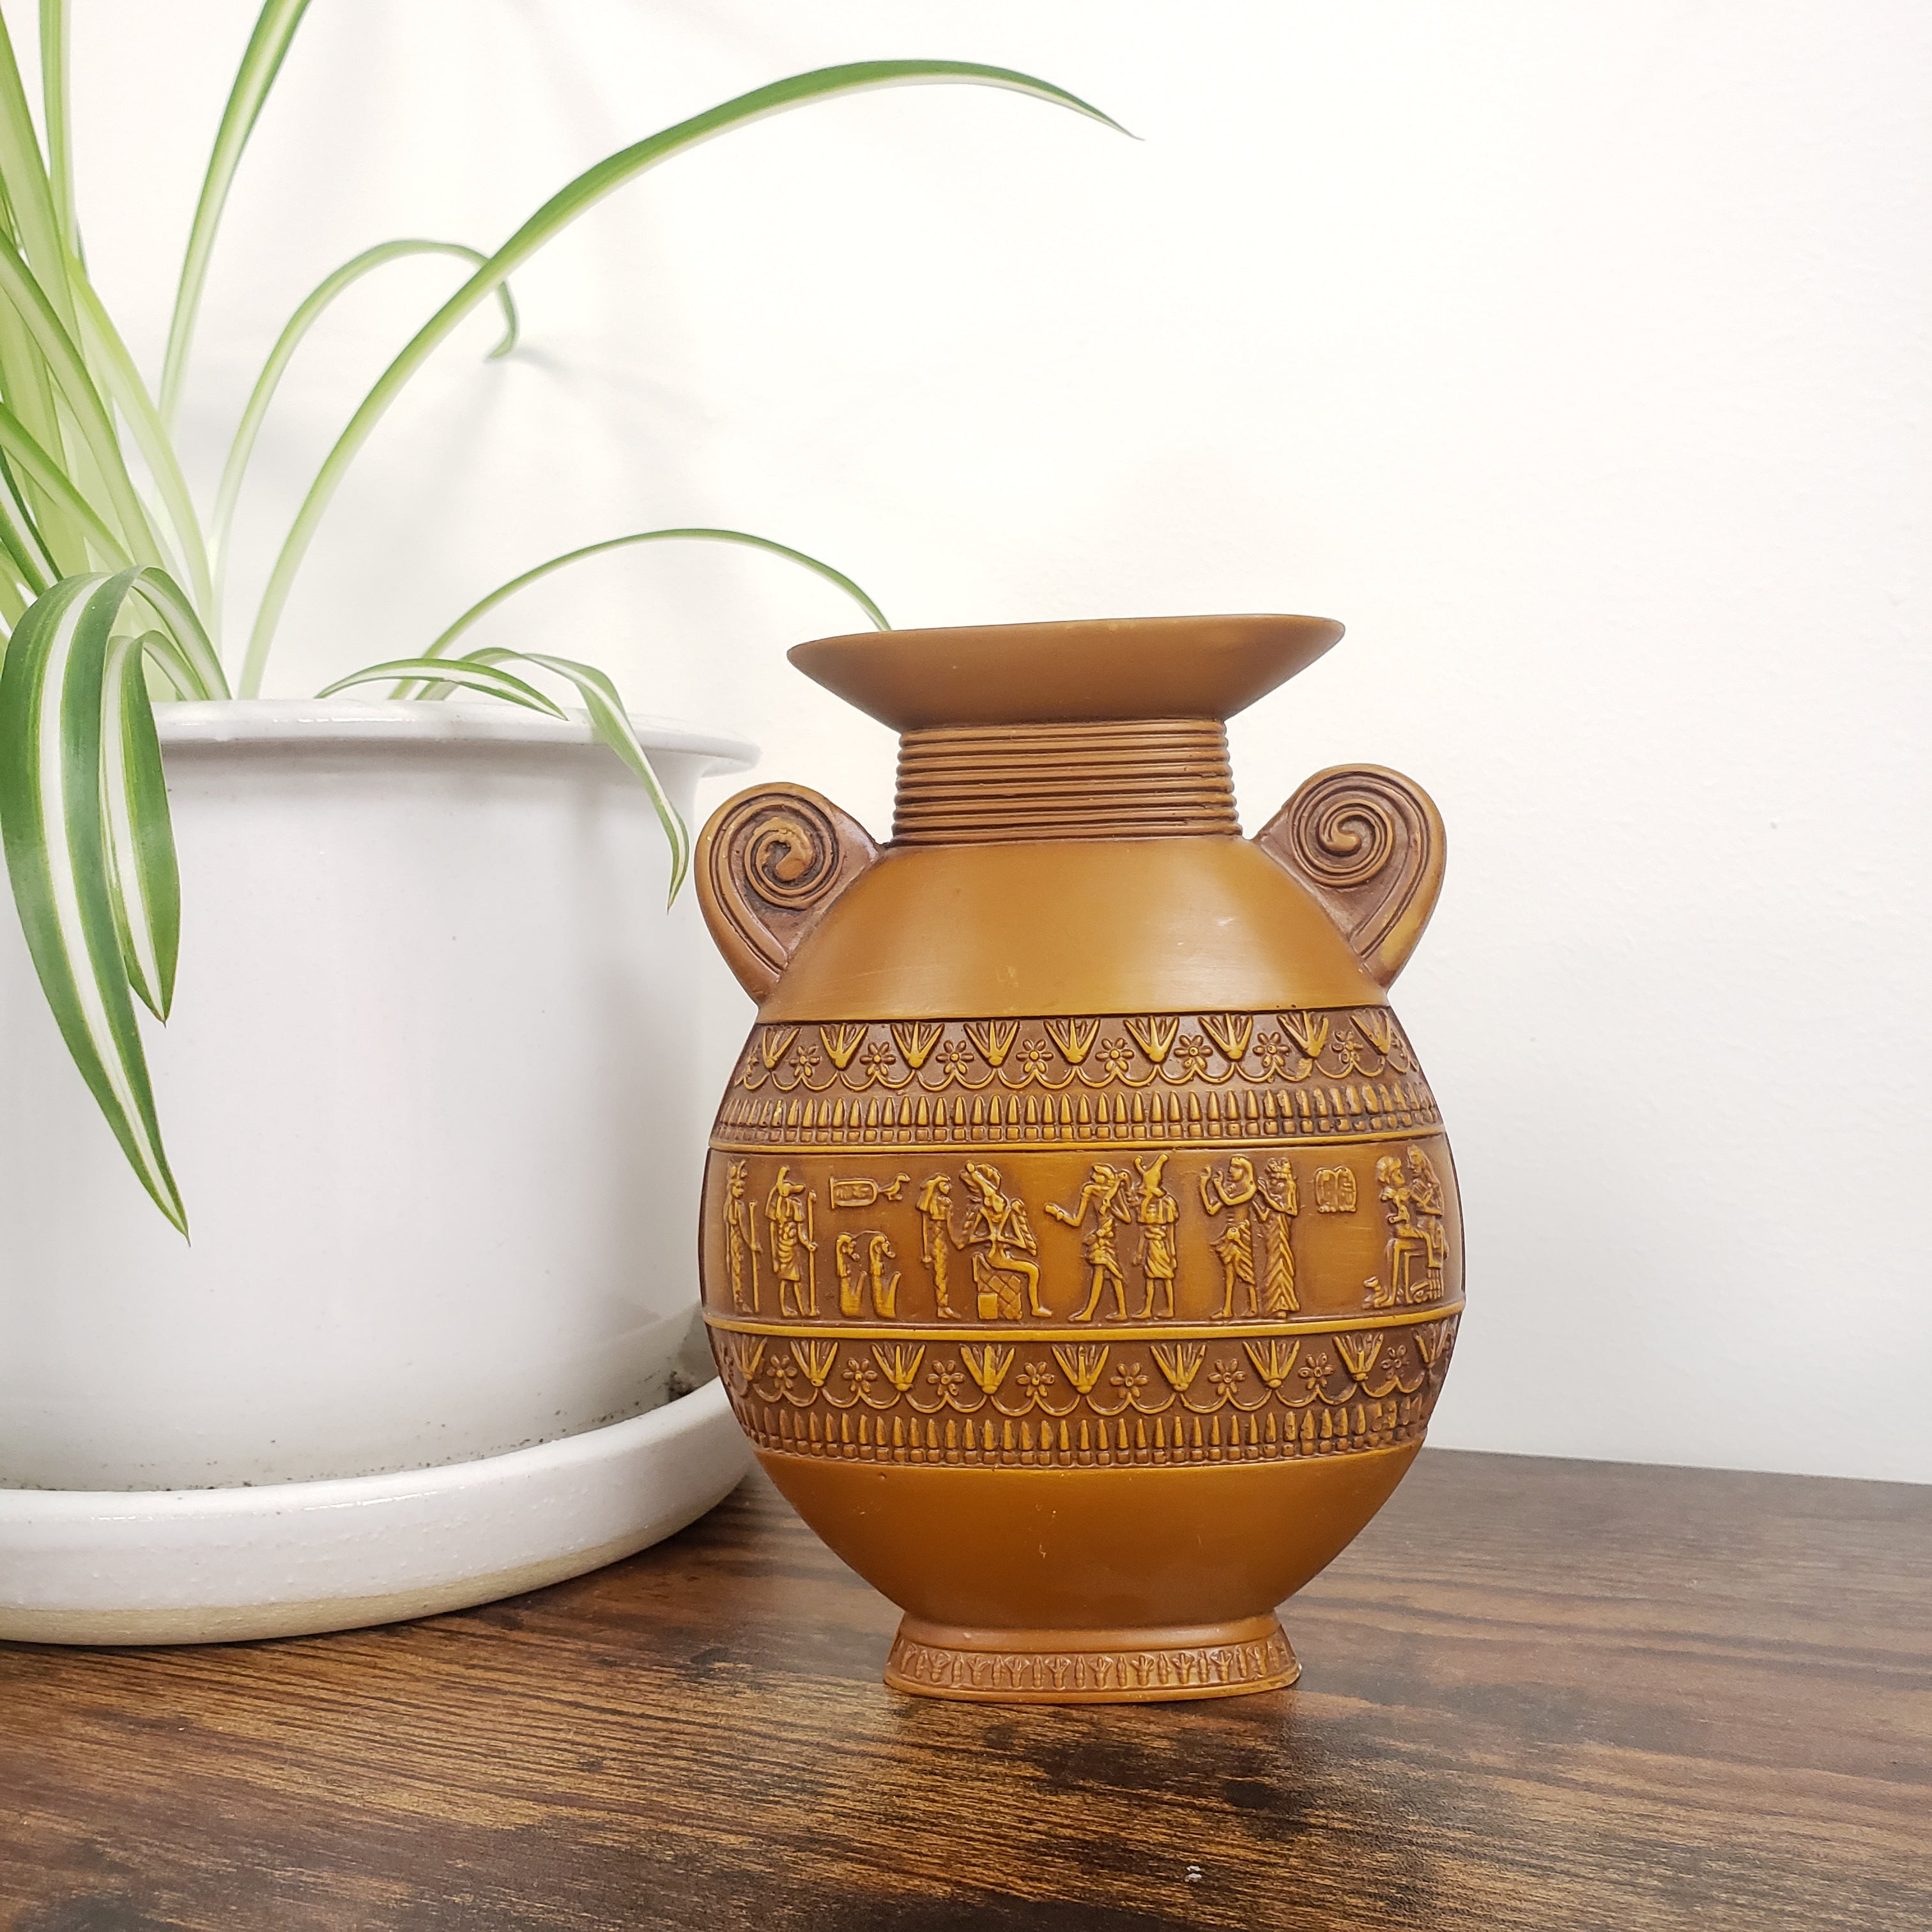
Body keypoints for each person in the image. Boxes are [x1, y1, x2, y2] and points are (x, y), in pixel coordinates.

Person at [1048, 1164, 1132, 1321]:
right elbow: (1076, 1221)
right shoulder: (1090, 1191)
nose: (1093, 1176)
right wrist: (1058, 1214)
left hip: (1107, 1238)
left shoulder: (1113, 1193)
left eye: (1098, 1174)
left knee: (1105, 1271)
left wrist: (1111, 1207)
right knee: (1111, 1272)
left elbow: (1127, 1218)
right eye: (1093, 1174)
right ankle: (1120, 1312)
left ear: (1106, 1178)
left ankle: (1091, 1313)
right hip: (1100, 1238)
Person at [766, 1165, 817, 1317]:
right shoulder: (780, 1207)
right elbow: (795, 1231)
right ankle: (789, 1309)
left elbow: (801, 1231)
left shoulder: (792, 1205)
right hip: (785, 1248)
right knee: (789, 1280)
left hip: (791, 1247)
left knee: (793, 1279)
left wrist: (807, 1244)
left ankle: (801, 1309)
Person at [1133, 1153, 1179, 1318]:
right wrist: (1139, 1253)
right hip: (1150, 1248)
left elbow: (1171, 1233)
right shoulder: (1144, 1208)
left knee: (1167, 1278)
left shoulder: (1166, 1206)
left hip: (1162, 1248)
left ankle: (1170, 1309)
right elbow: (1142, 1232)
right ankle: (1147, 1310)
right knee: (1150, 1278)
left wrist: (1173, 1254)